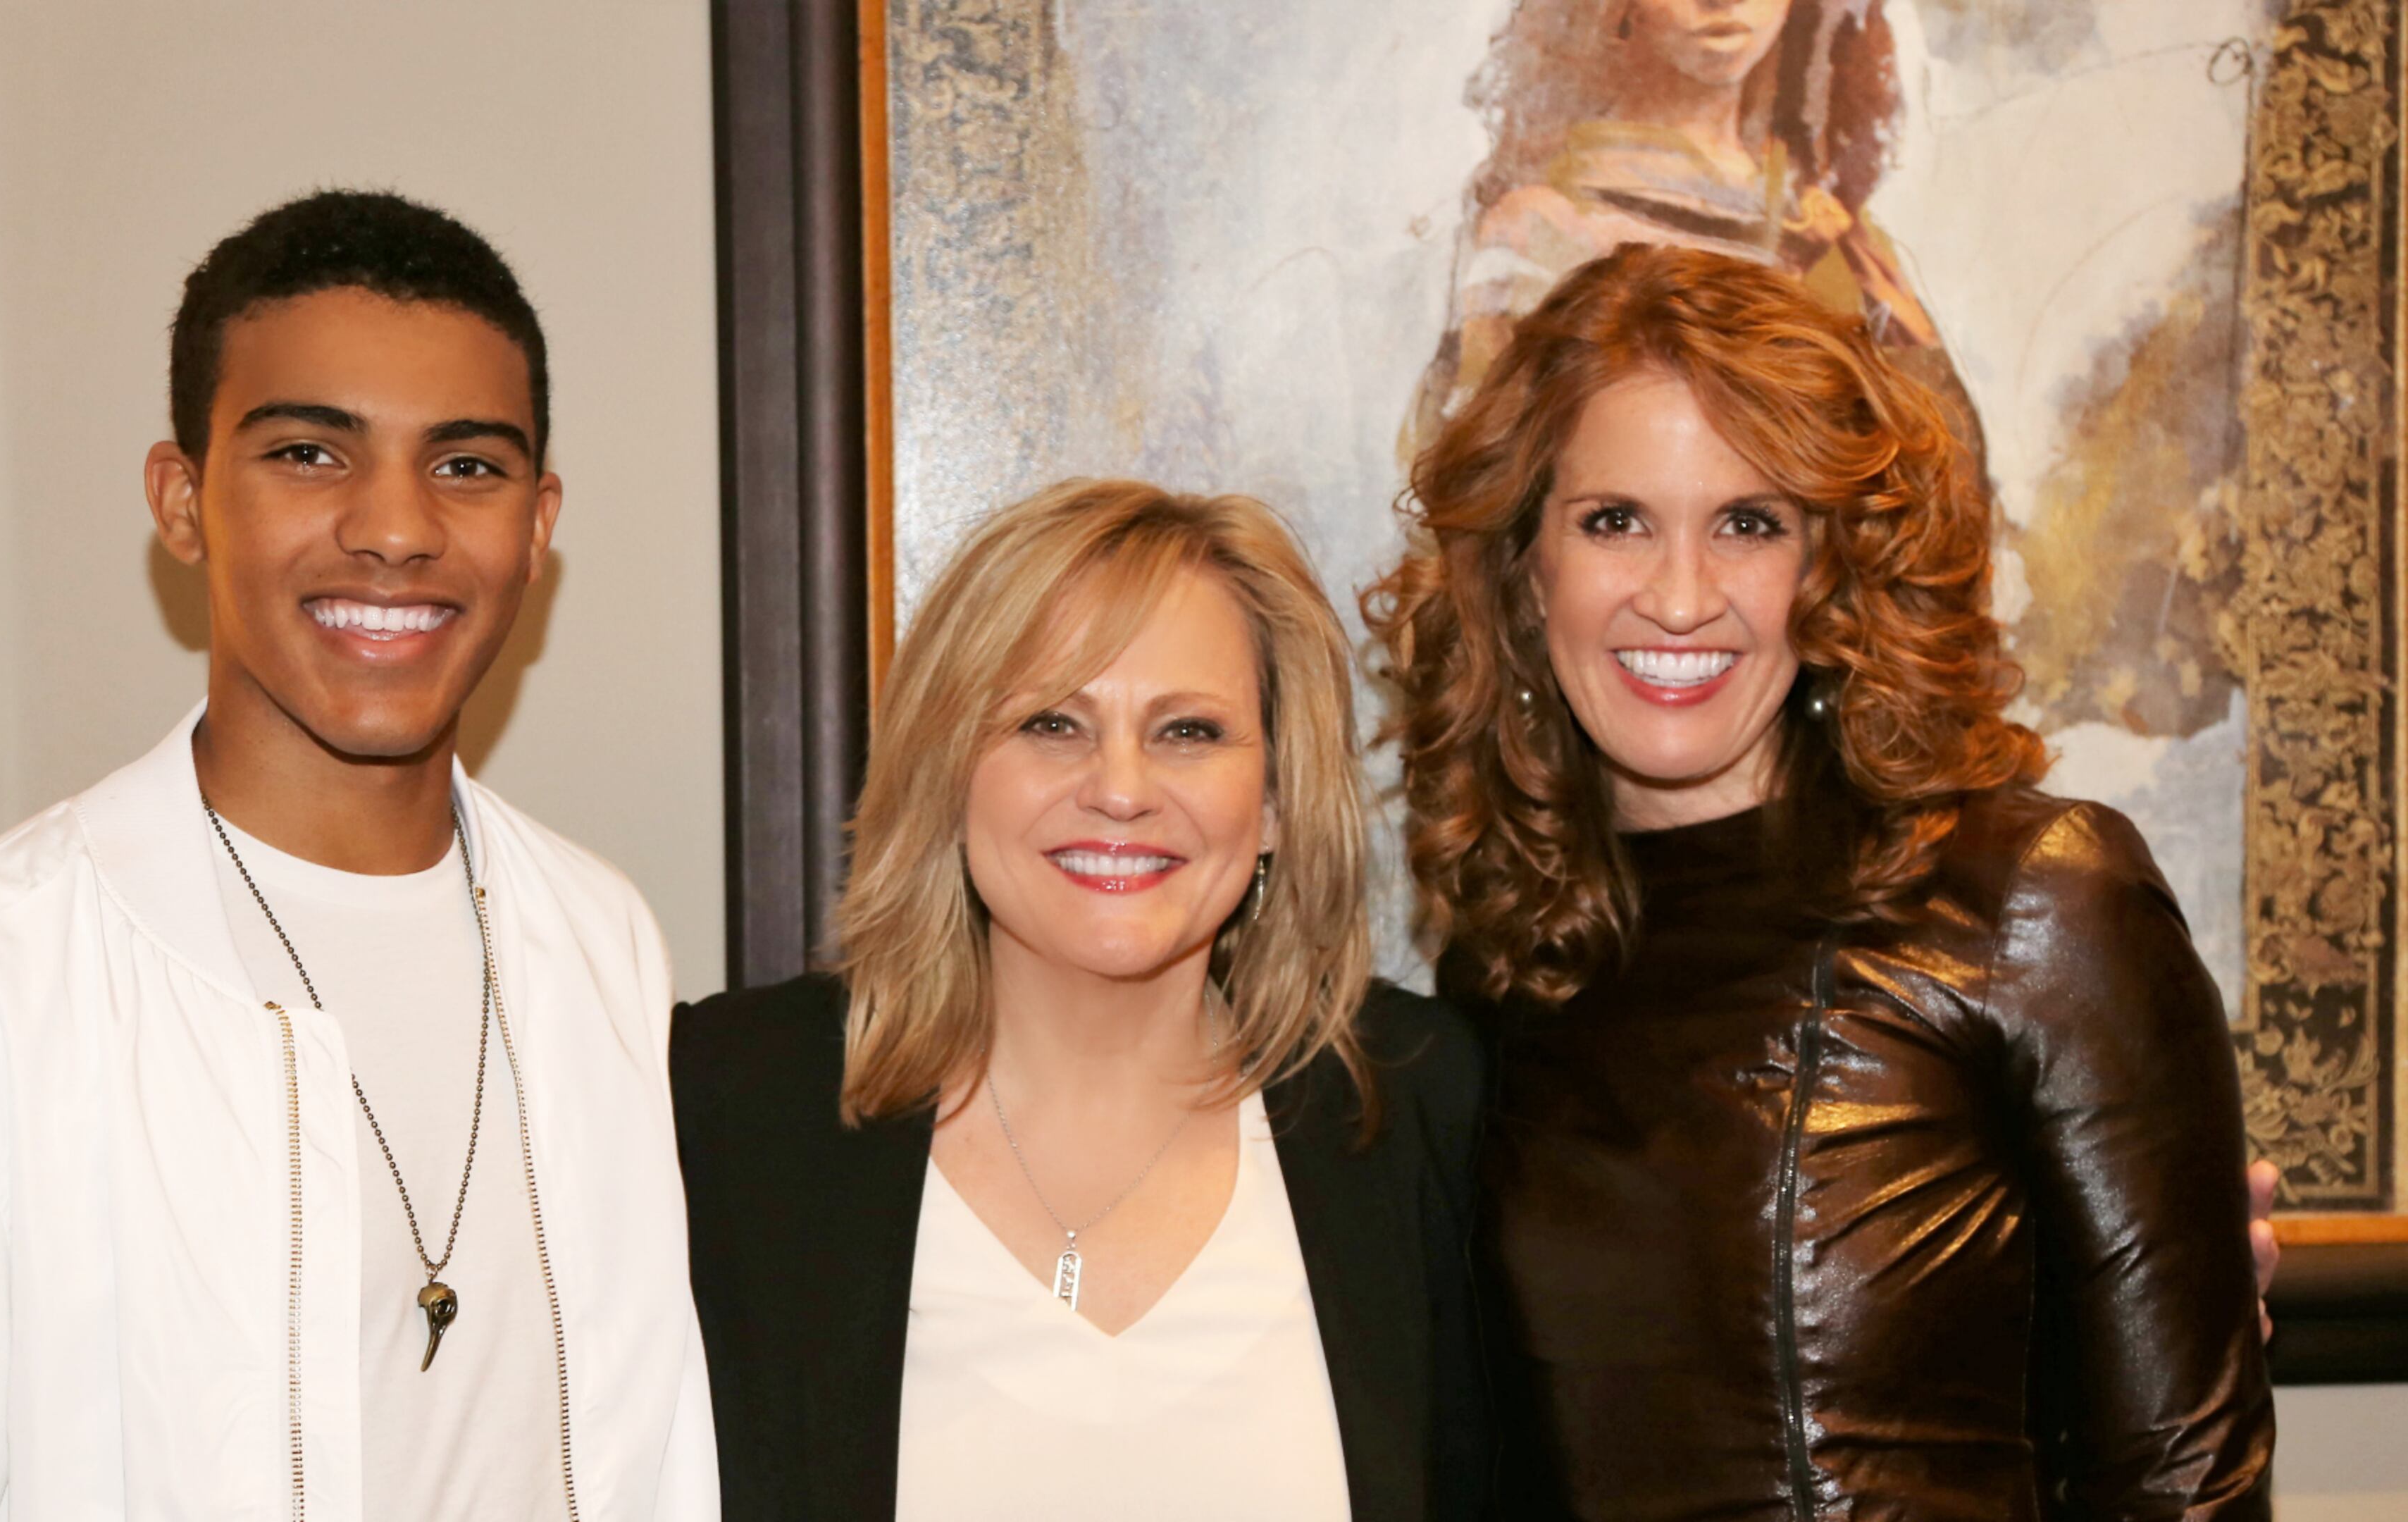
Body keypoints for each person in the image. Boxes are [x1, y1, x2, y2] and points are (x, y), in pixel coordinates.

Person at [0, 191, 717, 1519]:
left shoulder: (600, 942)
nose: (396, 527)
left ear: (538, 523)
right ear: (182, 503)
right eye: (309, 453)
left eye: (468, 466)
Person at [1367, 242, 2272, 1516]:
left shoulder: (2036, 900)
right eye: (1615, 520)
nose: (1680, 598)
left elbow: (2183, 1487)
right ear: (1527, 570)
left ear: (1831, 567)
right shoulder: (1511, 961)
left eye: (1750, 523)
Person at [670, 481, 1491, 1520]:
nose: (1120, 789)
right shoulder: (729, 1108)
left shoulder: (1417, 1105)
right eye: (1052, 722)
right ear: (947, 770)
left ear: (1276, 800)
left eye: (1189, 731)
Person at [1408, 0, 1974, 459]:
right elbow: (1482, 482)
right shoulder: (1545, 226)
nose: (1724, 1)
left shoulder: (1832, 233)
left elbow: (1930, 466)